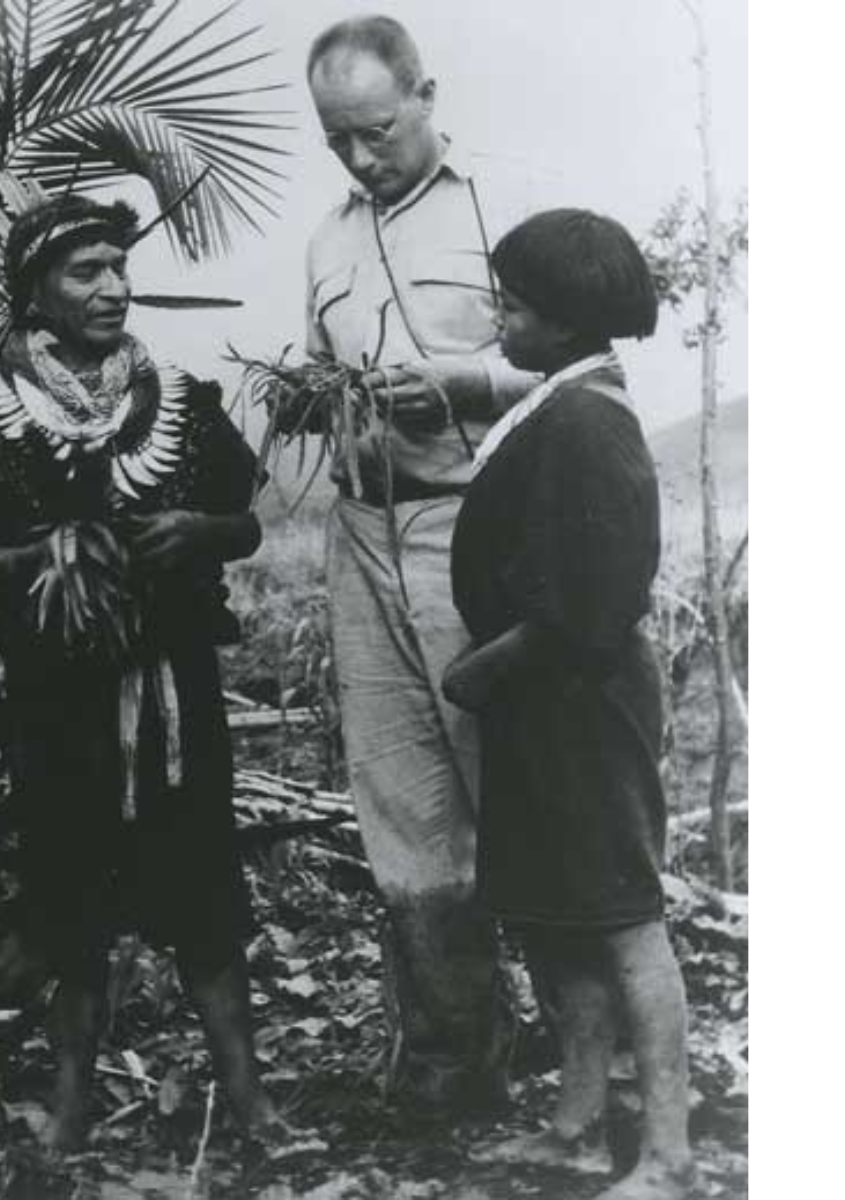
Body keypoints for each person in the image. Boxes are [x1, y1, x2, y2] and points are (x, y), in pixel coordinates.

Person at [0, 194, 281, 1152]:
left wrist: (198, 531)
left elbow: (244, 524)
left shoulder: (182, 402)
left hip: (175, 691)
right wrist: (30, 562)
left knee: (200, 878)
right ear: (35, 288)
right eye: (87, 271)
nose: (114, 287)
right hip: (55, 699)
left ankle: (251, 1102)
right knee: (67, 884)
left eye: (119, 266)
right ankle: (72, 1106)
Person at [299, 14, 541, 1111]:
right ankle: (448, 1070)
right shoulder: (327, 243)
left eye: (377, 132)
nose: (358, 158)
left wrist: (464, 378)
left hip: (471, 530)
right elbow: (314, 372)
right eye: (337, 139)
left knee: (516, 784)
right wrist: (316, 401)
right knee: (397, 804)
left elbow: (576, 362)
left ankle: (588, 1055)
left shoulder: (503, 206)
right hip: (362, 534)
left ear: (427, 94)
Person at [443, 208, 697, 1200]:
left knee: (623, 916)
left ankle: (670, 1155)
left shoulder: (589, 421)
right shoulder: (561, 400)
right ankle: (577, 1125)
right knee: (556, 914)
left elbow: (593, 597)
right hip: (541, 703)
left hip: (580, 701)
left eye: (513, 306)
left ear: (564, 319)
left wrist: (482, 669)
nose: (499, 321)